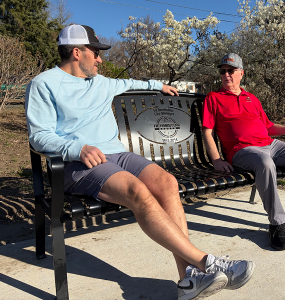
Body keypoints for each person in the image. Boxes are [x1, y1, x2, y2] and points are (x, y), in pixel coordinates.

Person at [25, 25, 255, 300]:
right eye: (96, 53)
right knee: (138, 192)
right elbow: (39, 136)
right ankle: (207, 263)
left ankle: (188, 281)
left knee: (167, 183)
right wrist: (77, 148)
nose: (100, 59)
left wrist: (160, 86)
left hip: (118, 155)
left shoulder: (101, 82)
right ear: (77, 52)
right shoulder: (43, 84)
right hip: (79, 163)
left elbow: (133, 83)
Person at [202, 53, 285, 251]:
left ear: (241, 73)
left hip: (270, 144)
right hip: (242, 150)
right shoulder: (214, 98)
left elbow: (268, 126)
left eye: (231, 71)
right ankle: (277, 224)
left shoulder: (251, 98)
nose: (226, 75)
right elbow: (207, 131)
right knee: (265, 162)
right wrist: (216, 159)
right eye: (223, 71)